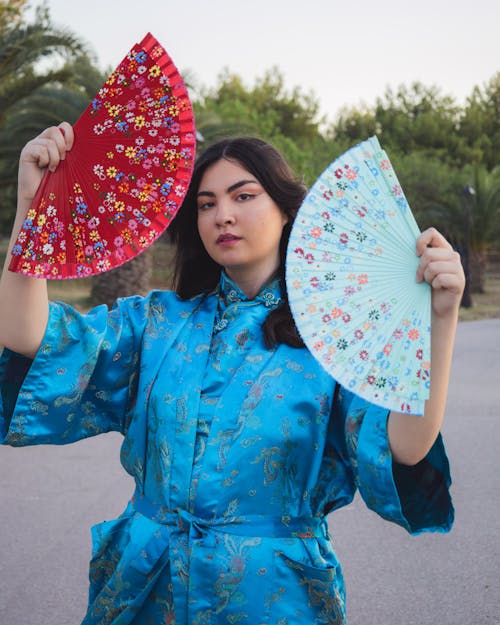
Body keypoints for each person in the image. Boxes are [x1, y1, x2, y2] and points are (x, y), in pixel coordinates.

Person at [0, 122, 465, 625]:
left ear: (287, 210)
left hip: (274, 596)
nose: (223, 214)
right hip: (145, 586)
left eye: (243, 196)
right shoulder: (156, 323)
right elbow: (32, 337)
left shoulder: (331, 339)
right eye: (206, 203)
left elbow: (403, 445)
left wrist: (442, 320)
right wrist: (34, 205)